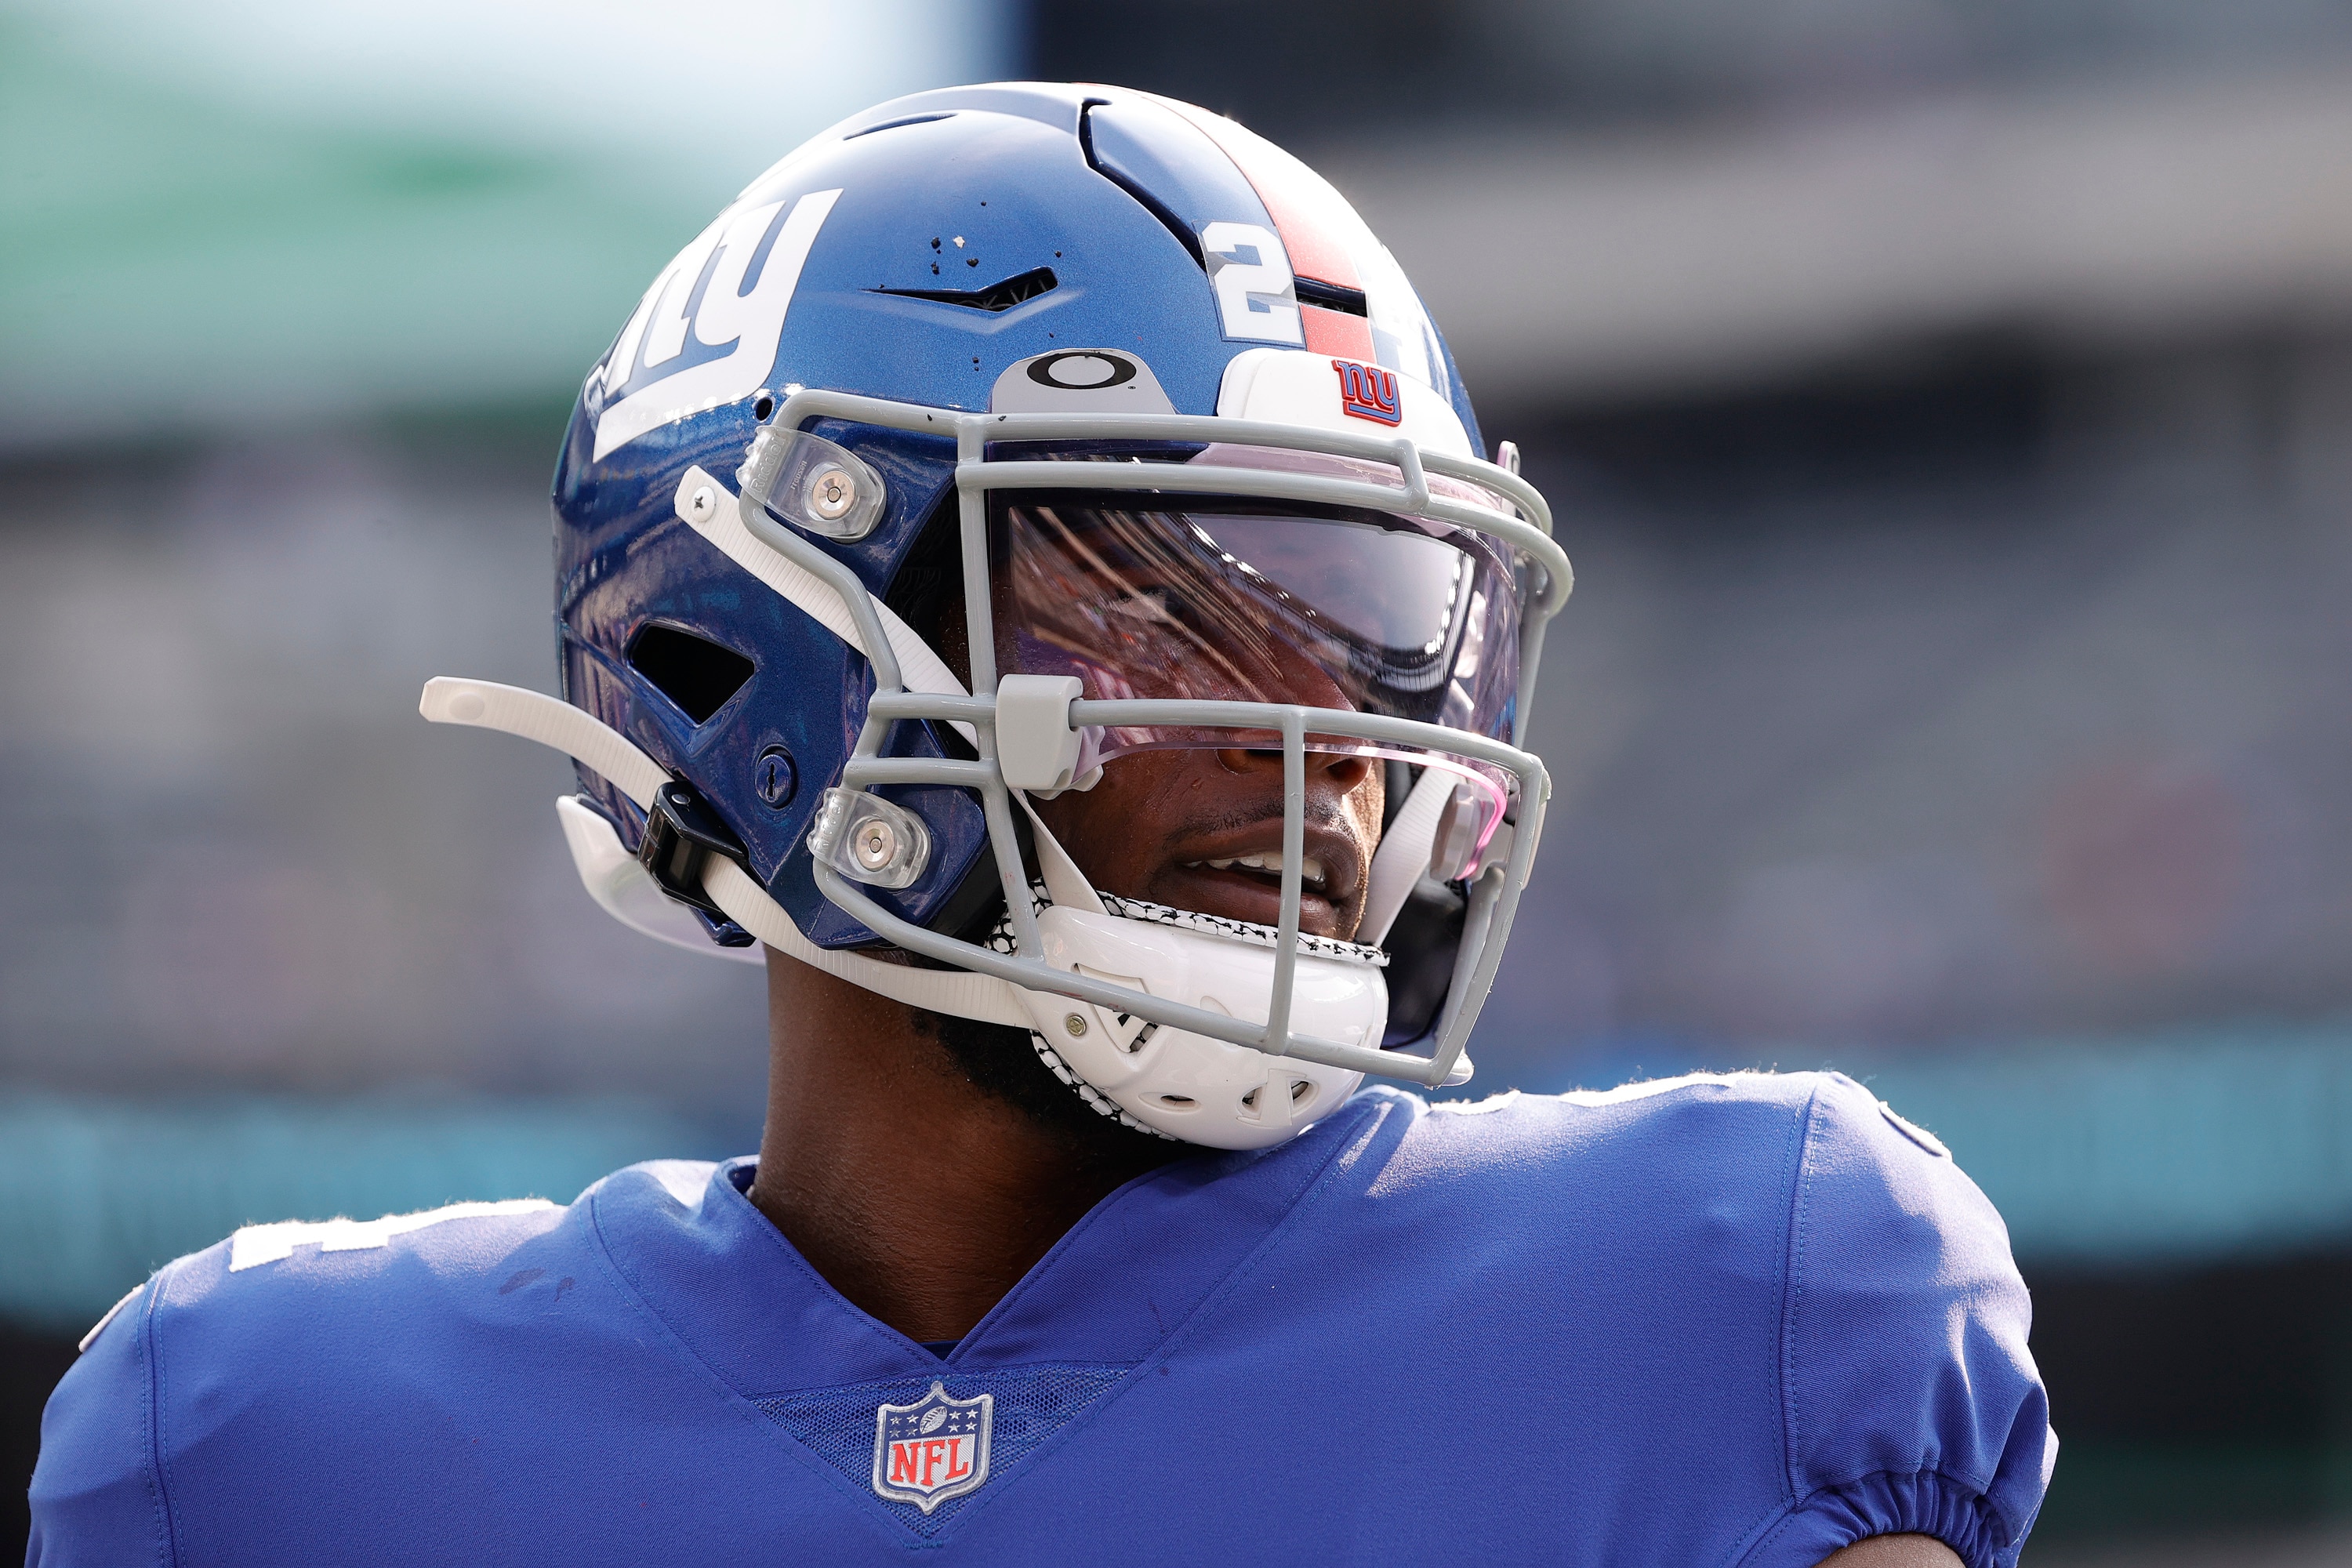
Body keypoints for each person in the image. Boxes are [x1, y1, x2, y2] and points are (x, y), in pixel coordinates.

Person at [27, 84, 2052, 1566]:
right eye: (1193, 597)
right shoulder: (261, 1449)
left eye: (1394, 633)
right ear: (771, 638)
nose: (1337, 747)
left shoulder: (1727, 1303)